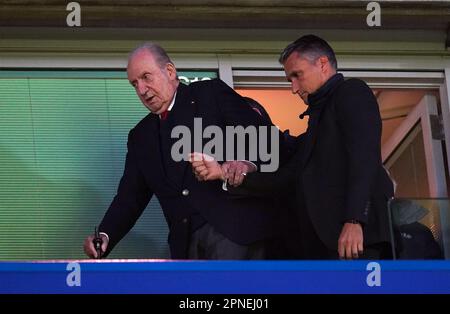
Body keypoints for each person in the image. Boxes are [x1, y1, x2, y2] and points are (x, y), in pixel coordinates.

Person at [191, 34, 395, 260]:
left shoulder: (351, 92)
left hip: (356, 242)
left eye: (297, 76)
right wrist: (225, 172)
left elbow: (364, 157)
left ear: (322, 64)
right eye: (290, 80)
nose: (294, 88)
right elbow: (285, 178)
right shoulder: (317, 120)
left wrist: (355, 220)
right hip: (323, 249)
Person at [83, 42, 288, 260]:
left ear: (170, 71)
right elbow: (129, 197)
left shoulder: (211, 94)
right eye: (134, 84)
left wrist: (243, 165)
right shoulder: (140, 137)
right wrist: (106, 234)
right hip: (185, 246)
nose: (141, 90)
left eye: (146, 77)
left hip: (235, 232)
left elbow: (268, 141)